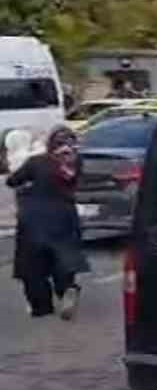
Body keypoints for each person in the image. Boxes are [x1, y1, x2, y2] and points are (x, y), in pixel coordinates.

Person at [9, 126, 88, 320]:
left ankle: (41, 306)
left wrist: (26, 185)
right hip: (64, 216)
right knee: (63, 258)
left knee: (32, 266)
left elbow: (12, 180)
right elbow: (73, 181)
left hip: (33, 219)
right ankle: (67, 289)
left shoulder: (36, 161)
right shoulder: (75, 162)